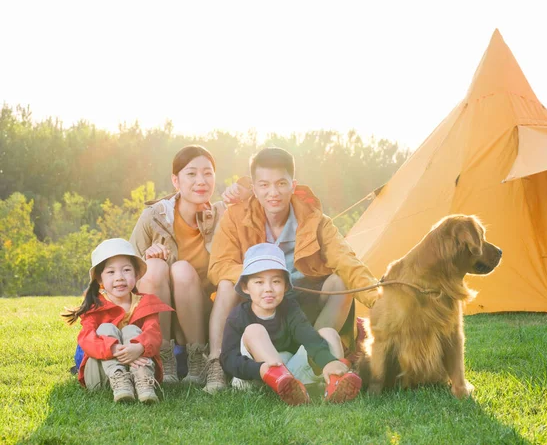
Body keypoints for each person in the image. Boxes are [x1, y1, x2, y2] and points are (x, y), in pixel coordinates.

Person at [208, 147, 380, 390]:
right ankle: (216, 363)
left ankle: (316, 358)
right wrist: (262, 279)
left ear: (293, 185)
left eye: (280, 184)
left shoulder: (316, 221)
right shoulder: (236, 216)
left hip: (303, 303)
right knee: (226, 285)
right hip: (259, 306)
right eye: (264, 185)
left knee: (341, 282)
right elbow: (218, 266)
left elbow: (347, 260)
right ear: (255, 189)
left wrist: (377, 298)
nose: (273, 193)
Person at [129, 145, 250, 389]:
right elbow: (126, 267)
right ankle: (163, 357)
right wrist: (145, 257)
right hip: (162, 316)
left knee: (182, 270)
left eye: (208, 173)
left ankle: (198, 358)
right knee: (153, 265)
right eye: (191, 174)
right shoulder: (154, 216)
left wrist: (245, 189)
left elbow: (267, 200)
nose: (201, 181)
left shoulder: (224, 214)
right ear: (176, 180)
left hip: (204, 313)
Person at [220, 243, 362, 405]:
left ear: (286, 286)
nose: (268, 289)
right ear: (245, 287)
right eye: (259, 283)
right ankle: (281, 378)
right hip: (255, 376)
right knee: (254, 330)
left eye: (276, 282)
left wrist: (327, 360)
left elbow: (309, 337)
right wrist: (259, 369)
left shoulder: (290, 308)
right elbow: (228, 358)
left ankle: (335, 382)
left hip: (291, 372)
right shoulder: (239, 316)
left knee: (328, 333)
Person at [63, 238, 173, 403]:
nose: (119, 277)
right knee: (106, 329)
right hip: (102, 376)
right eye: (111, 272)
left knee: (131, 331)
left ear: (136, 275)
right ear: (100, 280)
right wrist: (112, 349)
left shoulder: (145, 303)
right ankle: (120, 382)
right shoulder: (96, 307)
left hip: (138, 368)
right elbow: (86, 339)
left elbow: (154, 333)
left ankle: (144, 384)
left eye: (126, 270)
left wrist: (139, 347)